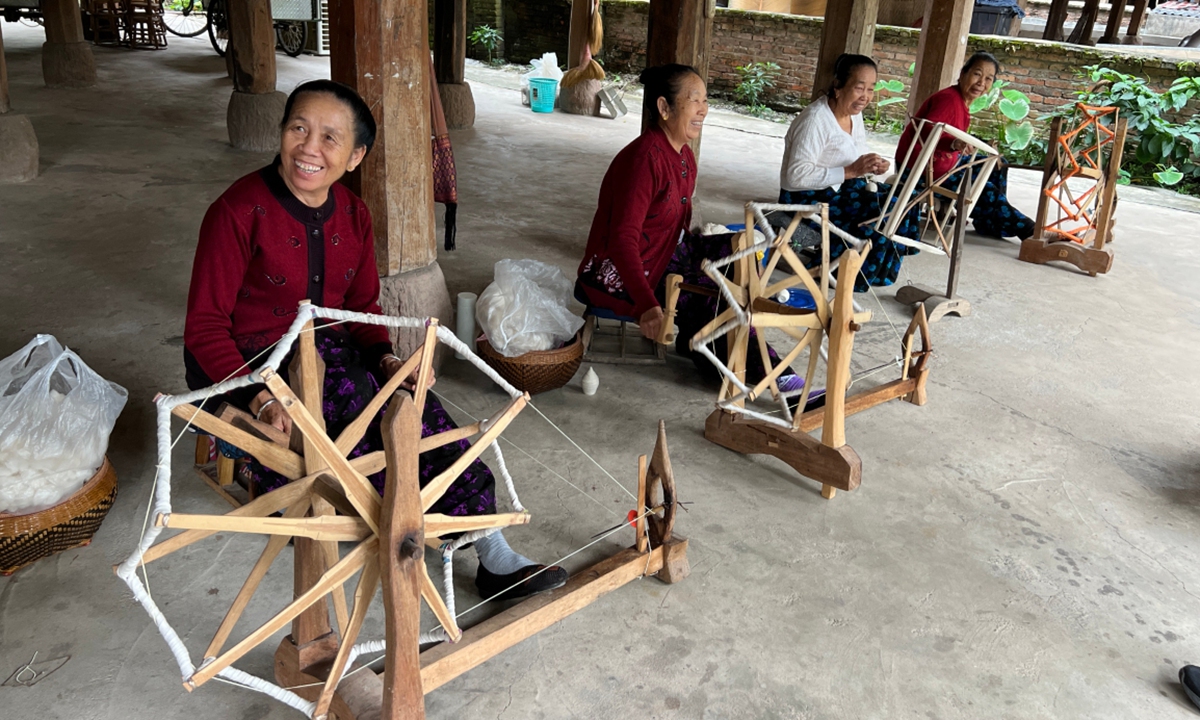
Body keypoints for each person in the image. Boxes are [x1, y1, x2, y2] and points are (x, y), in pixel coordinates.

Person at [183, 79, 566, 602]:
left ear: (356, 155)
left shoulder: (353, 216)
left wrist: (388, 360)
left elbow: (360, 311)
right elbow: (205, 328)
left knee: (413, 410)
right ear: (281, 132)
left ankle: (491, 551)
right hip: (250, 361)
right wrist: (262, 397)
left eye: (330, 138)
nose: (309, 148)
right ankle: (409, 529)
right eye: (299, 128)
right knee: (354, 435)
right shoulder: (237, 212)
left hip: (328, 350)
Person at [576, 65, 808, 399]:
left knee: (739, 251)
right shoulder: (644, 160)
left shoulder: (683, 154)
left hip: (665, 249)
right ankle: (774, 374)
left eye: (705, 99)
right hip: (621, 269)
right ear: (664, 108)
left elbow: (675, 229)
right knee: (715, 295)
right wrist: (646, 305)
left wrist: (728, 249)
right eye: (693, 99)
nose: (703, 108)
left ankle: (703, 344)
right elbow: (622, 240)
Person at [779, 53, 921, 292]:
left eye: (870, 89)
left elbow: (854, 159)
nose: (865, 96)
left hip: (841, 188)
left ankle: (878, 271)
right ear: (838, 86)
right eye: (858, 88)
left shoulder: (855, 116)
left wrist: (873, 168)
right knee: (880, 211)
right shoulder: (815, 120)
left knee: (906, 199)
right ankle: (838, 270)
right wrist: (850, 171)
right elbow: (795, 176)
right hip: (806, 198)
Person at [896, 51, 1034, 241]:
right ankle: (1029, 230)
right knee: (985, 190)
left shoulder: (962, 102)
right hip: (923, 170)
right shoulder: (949, 99)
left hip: (944, 165)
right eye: (977, 74)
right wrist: (953, 143)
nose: (981, 83)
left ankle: (989, 222)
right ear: (962, 74)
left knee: (996, 162)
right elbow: (929, 128)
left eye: (988, 79)